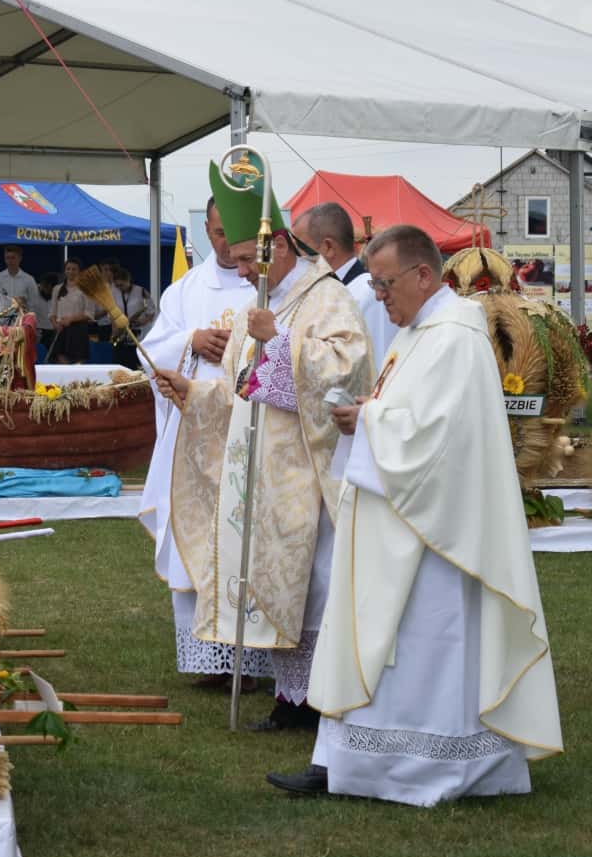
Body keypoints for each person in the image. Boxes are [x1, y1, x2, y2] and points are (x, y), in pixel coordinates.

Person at [267, 224, 563, 805]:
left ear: (423, 274)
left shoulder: (455, 336)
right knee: (371, 632)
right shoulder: (416, 333)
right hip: (395, 514)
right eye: (374, 285)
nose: (379, 296)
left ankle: (425, 766)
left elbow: (439, 438)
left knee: (422, 645)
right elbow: (405, 411)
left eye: (384, 284)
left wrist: (369, 421)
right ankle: (345, 761)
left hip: (435, 534)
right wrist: (369, 414)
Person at [155, 162, 372, 731]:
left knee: (316, 584)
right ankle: (289, 695)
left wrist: (280, 345)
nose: (244, 269)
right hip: (259, 473)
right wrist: (195, 393)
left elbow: (347, 372)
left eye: (252, 258)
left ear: (279, 246)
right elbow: (238, 390)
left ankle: (319, 697)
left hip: (307, 470)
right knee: (271, 580)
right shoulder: (266, 299)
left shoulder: (328, 298)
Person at [140, 195, 259, 690]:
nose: (227, 244)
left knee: (243, 537)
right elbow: (150, 354)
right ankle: (206, 659)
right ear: (206, 231)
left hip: (247, 430)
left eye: (235, 232)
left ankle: (251, 659)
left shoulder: (271, 284)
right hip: (193, 432)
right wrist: (190, 341)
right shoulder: (186, 290)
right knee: (197, 536)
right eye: (216, 233)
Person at [293, 203, 398, 363]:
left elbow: (378, 362)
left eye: (300, 252)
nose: (297, 262)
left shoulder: (368, 294)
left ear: (328, 247)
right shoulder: (325, 292)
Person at [49, 259, 98, 363]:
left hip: (78, 330)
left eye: (74, 269)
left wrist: (71, 319)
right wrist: (55, 324)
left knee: (77, 362)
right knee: (60, 359)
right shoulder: (57, 289)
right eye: (68, 269)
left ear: (80, 271)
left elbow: (89, 314)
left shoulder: (86, 289)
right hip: (61, 330)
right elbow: (52, 312)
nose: (70, 272)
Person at [109, 266, 155, 369]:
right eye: (117, 285)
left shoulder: (141, 291)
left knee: (137, 366)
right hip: (121, 335)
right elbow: (111, 312)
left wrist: (143, 321)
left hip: (138, 334)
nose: (119, 288)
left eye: (121, 285)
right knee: (120, 365)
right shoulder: (114, 292)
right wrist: (114, 329)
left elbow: (151, 311)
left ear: (128, 280)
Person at [0, 245, 41, 313]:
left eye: (13, 258)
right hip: (2, 321)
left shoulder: (29, 280)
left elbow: (34, 304)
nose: (10, 261)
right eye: (7, 258)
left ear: (20, 258)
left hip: (21, 321)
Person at [32, 274, 58, 349]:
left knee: (52, 357)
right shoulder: (32, 292)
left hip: (52, 331)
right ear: (42, 285)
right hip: (36, 330)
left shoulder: (57, 294)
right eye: (47, 288)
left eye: (51, 290)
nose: (49, 292)